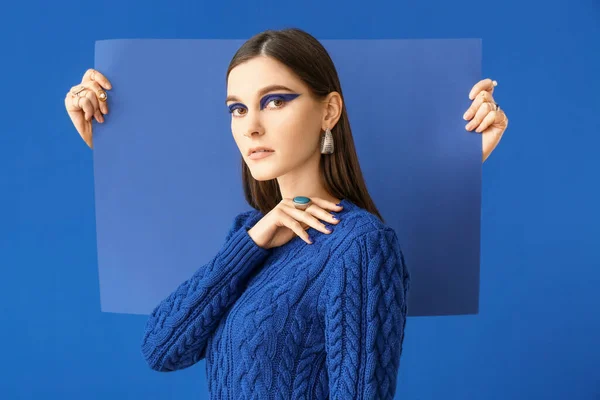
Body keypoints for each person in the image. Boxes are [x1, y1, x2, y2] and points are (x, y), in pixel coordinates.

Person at [64, 28, 508, 399]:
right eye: (237, 108)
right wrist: (253, 241)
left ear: (328, 110)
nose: (251, 125)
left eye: (275, 101)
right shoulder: (250, 236)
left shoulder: (360, 244)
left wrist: (464, 155)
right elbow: (161, 349)